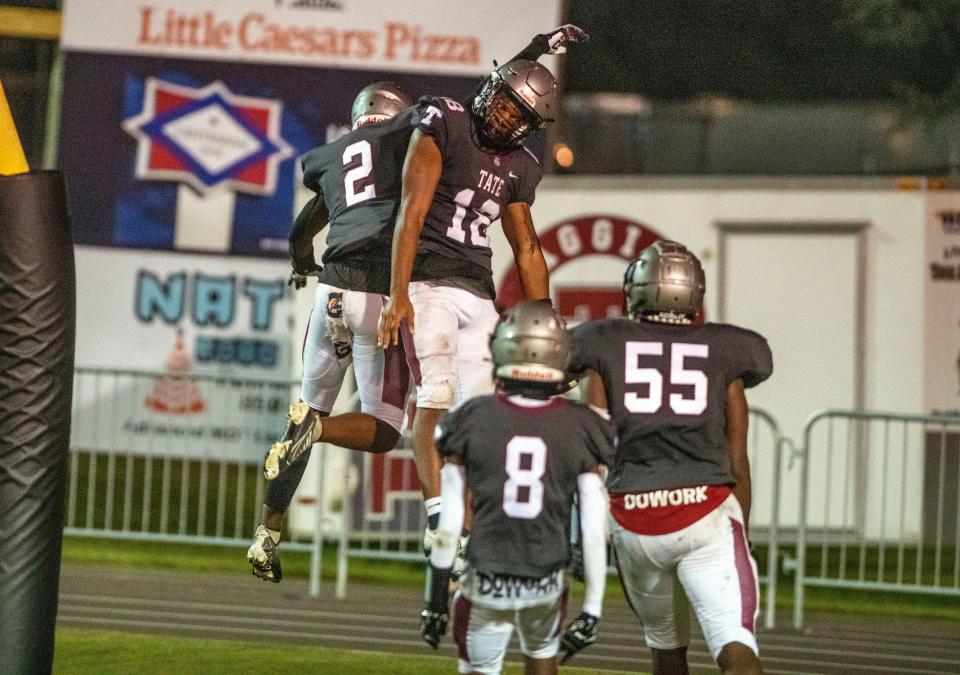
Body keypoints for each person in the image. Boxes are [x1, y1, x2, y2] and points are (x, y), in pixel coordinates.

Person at [377, 25, 589, 557]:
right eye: (505, 102)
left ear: (531, 125)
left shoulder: (521, 166)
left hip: (477, 289)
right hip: (428, 282)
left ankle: (469, 525)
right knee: (436, 396)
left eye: (521, 114)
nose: (506, 116)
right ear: (489, 86)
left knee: (481, 415)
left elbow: (528, 249)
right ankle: (437, 520)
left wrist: (547, 333)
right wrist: (398, 291)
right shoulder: (444, 120)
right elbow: (413, 210)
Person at [567, 240, 773, 675]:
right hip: (705, 513)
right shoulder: (729, 348)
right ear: (693, 292)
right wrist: (744, 533)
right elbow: (738, 457)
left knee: (666, 651)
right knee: (735, 646)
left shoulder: (604, 340)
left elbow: (592, 451)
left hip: (633, 520)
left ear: (636, 289)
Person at [247, 82, 416, 582]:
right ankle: (315, 430)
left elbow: (303, 231)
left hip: (329, 296)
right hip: (376, 295)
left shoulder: (336, 155)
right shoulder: (407, 144)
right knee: (385, 428)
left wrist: (303, 263)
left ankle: (265, 538)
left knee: (302, 418)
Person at [419, 300, 615, 674]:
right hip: (546, 579)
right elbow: (592, 528)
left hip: (486, 578)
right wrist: (592, 610)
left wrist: (435, 600)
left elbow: (450, 525)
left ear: (501, 347)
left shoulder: (471, 418)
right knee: (542, 661)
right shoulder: (582, 425)